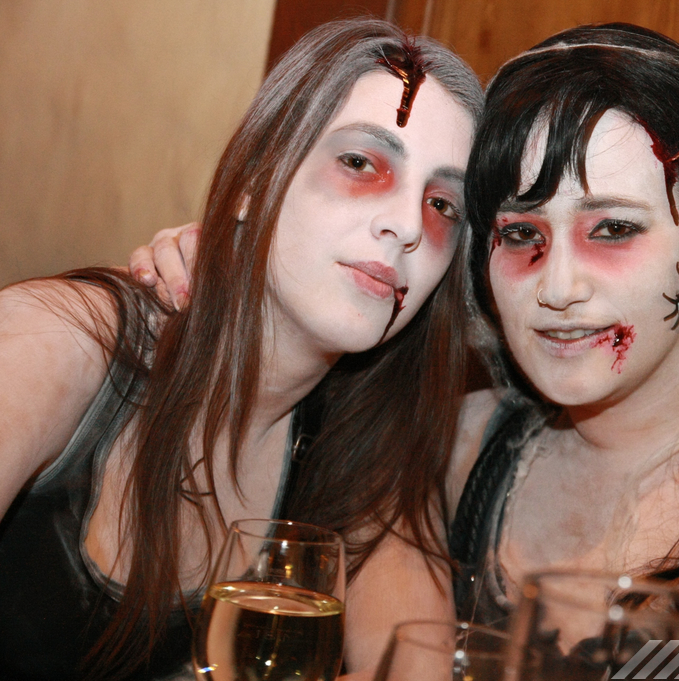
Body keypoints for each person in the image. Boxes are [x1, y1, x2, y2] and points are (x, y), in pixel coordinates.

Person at [133, 22, 679, 643]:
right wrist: (232, 266)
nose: (558, 287)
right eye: (521, 234)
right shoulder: (444, 453)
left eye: (613, 229)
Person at [0, 19, 481, 681]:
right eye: (360, 163)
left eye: (442, 203)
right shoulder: (59, 338)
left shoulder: (369, 450)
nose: (405, 225)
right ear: (256, 178)